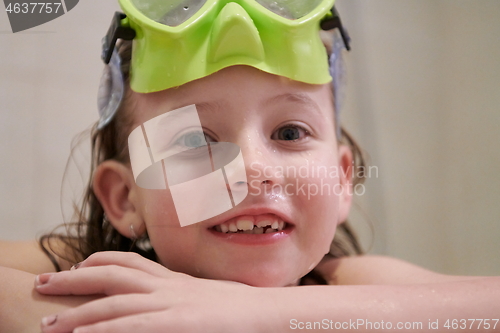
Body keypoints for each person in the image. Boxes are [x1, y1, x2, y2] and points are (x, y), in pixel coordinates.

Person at [1, 1, 499, 332]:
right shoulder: (99, 274)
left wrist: (257, 314)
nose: (253, 168)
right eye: (196, 140)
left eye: (289, 133)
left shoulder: (348, 282)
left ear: (342, 180)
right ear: (126, 199)